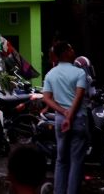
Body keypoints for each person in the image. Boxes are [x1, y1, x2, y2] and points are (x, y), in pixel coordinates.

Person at [42, 41, 87, 194]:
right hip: (78, 119)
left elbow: (47, 98)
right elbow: (79, 96)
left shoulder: (50, 74)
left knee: (61, 160)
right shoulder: (79, 73)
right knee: (76, 161)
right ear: (65, 53)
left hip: (60, 121)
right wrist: (70, 113)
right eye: (71, 48)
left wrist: (63, 112)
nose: (73, 50)